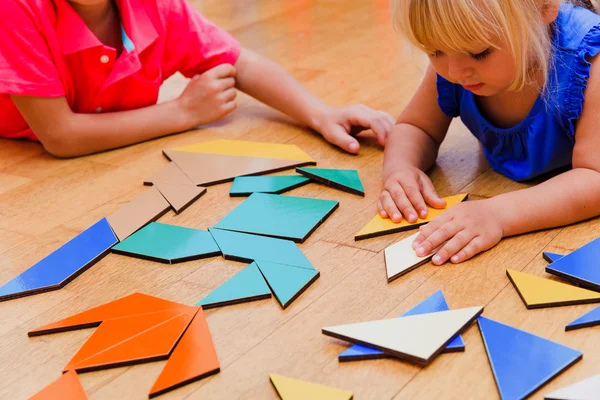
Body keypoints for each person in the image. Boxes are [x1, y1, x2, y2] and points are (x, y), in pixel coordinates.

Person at [0, 0, 394, 157]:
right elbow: (61, 136)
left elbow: (239, 62)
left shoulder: (155, 7)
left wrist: (320, 114)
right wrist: (183, 112)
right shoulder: (16, 9)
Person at [379, 0, 600, 265]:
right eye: (435, 51)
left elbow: (595, 177)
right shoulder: (455, 54)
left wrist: (498, 213)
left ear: (544, 8)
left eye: (480, 52)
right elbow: (416, 126)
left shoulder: (590, 59)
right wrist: (401, 168)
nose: (455, 71)